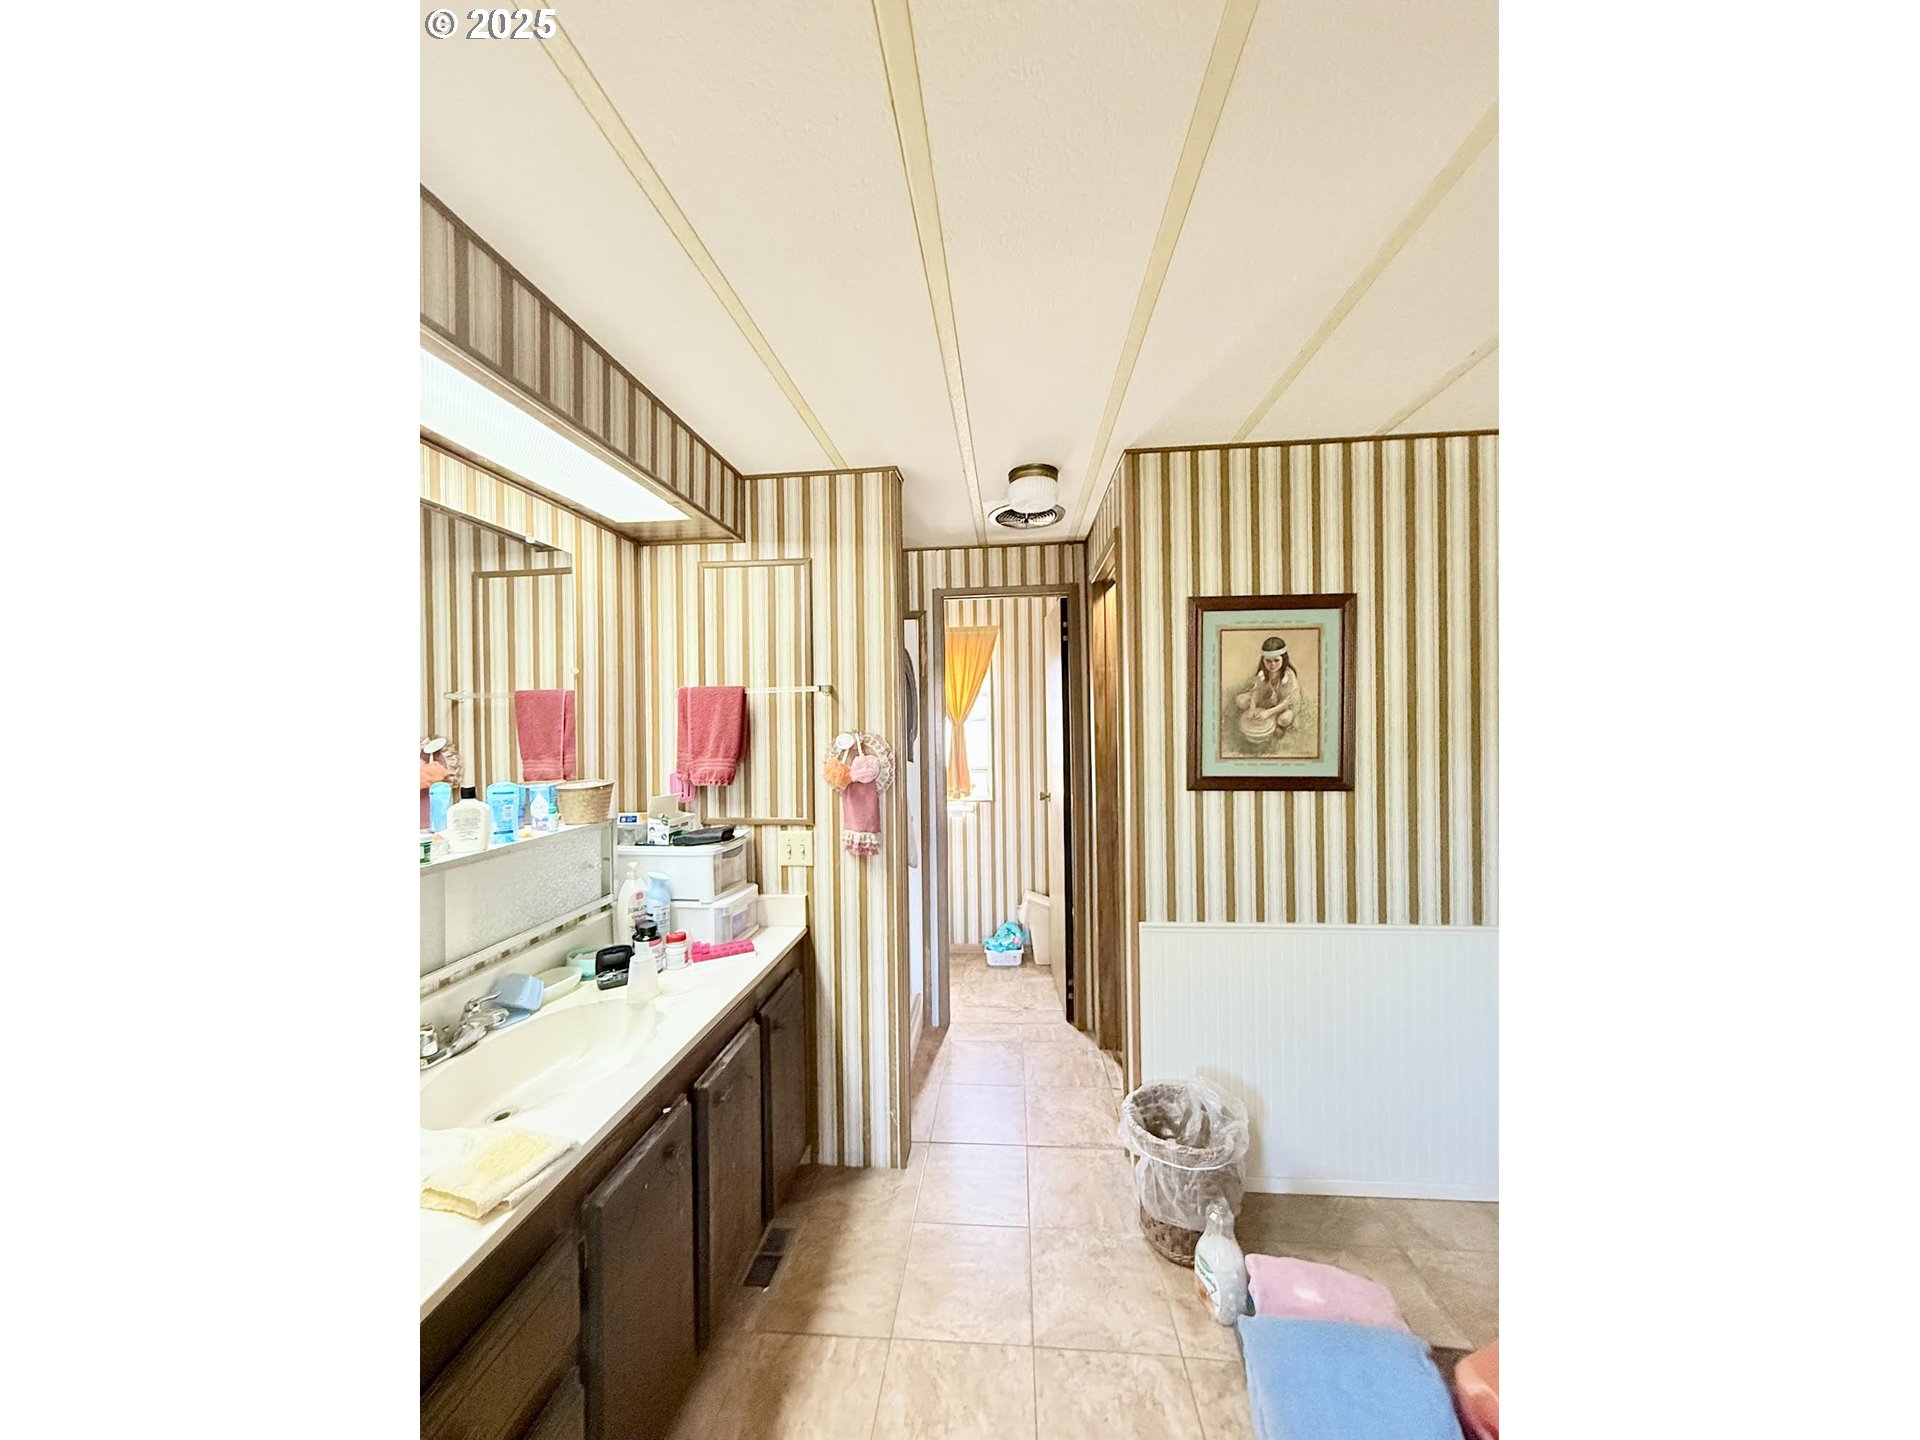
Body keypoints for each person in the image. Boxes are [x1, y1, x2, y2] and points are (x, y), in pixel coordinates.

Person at [1233, 635, 1299, 742]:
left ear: (1283, 659)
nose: (1272, 665)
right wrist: (1252, 708)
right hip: (1266, 702)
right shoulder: (1263, 673)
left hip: (1281, 706)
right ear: (1263, 660)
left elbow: (1286, 703)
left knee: (1284, 719)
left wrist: (1268, 713)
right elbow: (1256, 690)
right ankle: (1262, 716)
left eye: (1276, 660)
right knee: (1240, 700)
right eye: (1268, 661)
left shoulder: (1289, 676)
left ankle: (1279, 725)